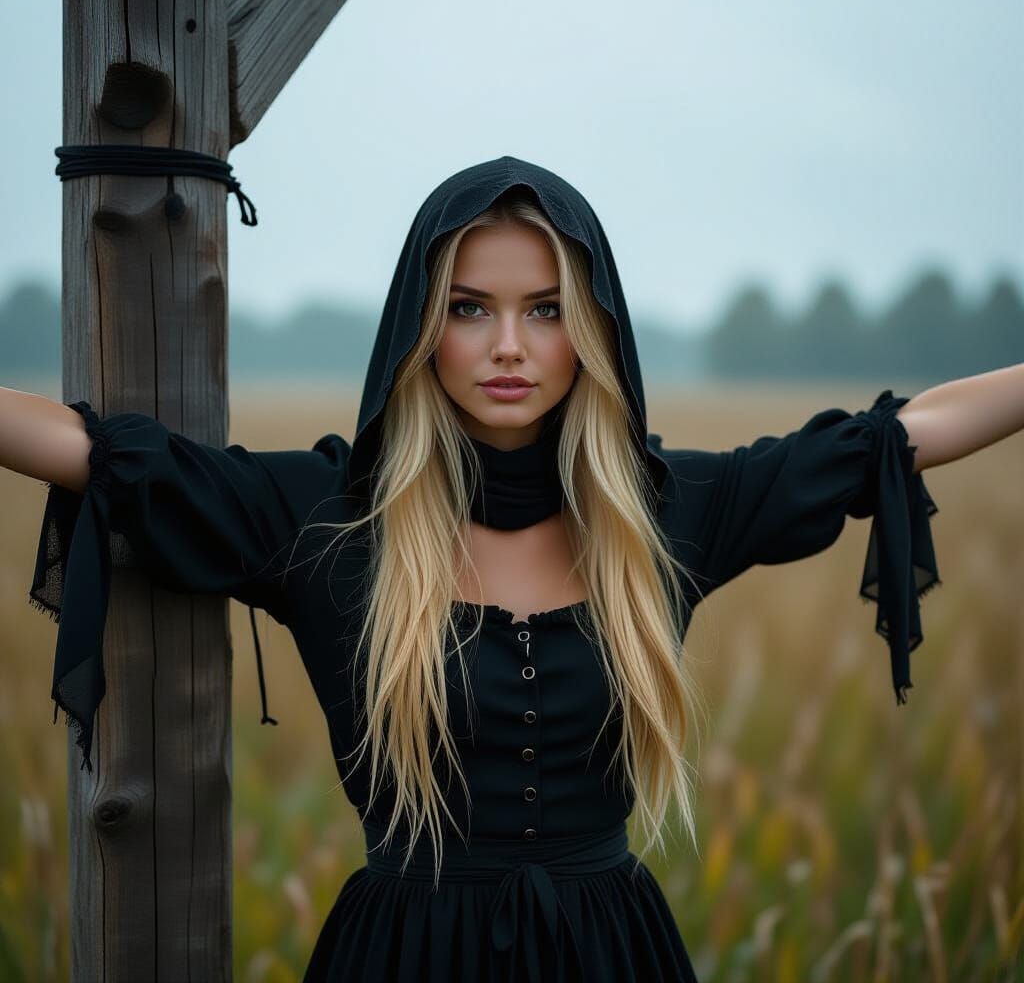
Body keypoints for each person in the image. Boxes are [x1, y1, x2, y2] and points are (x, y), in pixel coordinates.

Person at [12, 153, 993, 981]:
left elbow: (900, 435)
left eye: (548, 309)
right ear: (419, 327)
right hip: (401, 954)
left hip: (614, 953)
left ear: (595, 330)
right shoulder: (328, 518)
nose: (510, 347)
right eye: (471, 308)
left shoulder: (661, 514)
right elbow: (93, 452)